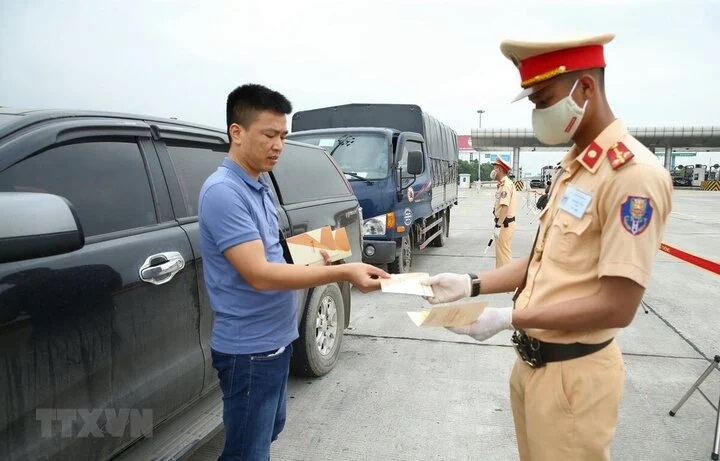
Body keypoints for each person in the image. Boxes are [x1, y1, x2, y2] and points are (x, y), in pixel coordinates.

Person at [421, 33, 673, 461]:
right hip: (533, 367)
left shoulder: (633, 176)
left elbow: (617, 305)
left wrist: (506, 317)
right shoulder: (574, 170)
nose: (538, 115)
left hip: (574, 376)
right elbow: (541, 260)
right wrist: (470, 284)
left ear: (586, 89)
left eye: (543, 101)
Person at [198, 83, 389, 461]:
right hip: (250, 349)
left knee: (270, 430)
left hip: (277, 339)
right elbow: (261, 273)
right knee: (247, 453)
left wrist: (328, 252)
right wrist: (345, 272)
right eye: (269, 135)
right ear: (236, 133)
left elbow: (275, 249)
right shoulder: (223, 192)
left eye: (283, 136)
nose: (278, 145)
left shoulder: (259, 183)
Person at [491, 157, 517, 267]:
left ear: (500, 170)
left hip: (504, 225)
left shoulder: (505, 185)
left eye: (495, 168)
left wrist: (498, 225)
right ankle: (502, 279)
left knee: (504, 256)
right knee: (502, 255)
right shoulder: (503, 184)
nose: (492, 171)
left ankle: (506, 282)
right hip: (504, 224)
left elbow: (504, 207)